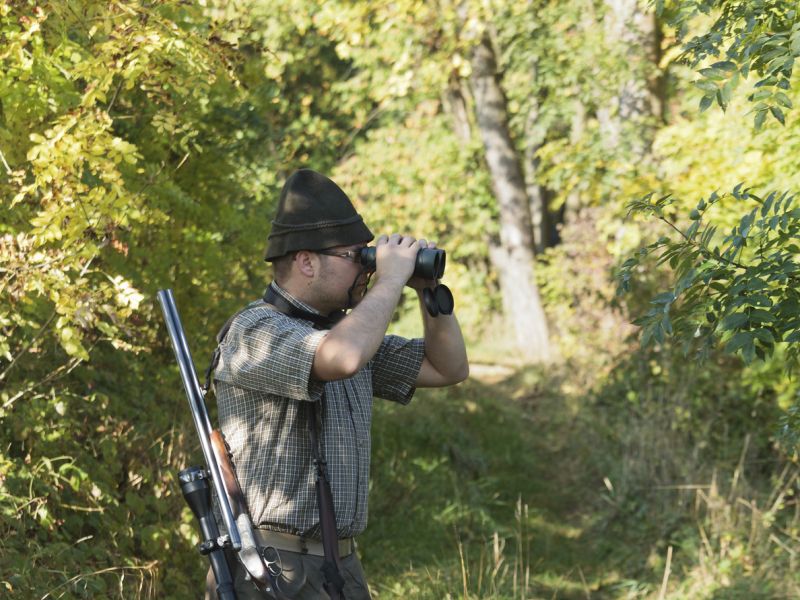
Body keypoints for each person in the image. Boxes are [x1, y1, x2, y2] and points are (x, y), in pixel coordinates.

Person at [206, 169, 469, 599]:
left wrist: (425, 290)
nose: (365, 269)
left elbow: (448, 368)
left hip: (340, 567)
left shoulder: (345, 334)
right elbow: (342, 358)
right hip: (272, 570)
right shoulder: (254, 332)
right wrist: (389, 281)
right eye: (354, 257)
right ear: (306, 261)